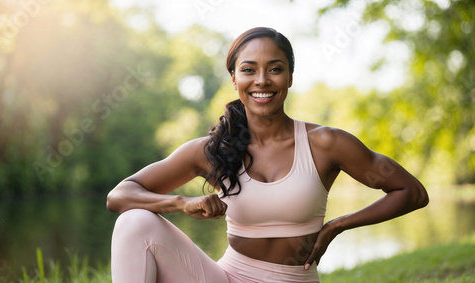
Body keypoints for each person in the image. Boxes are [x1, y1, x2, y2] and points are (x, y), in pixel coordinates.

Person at [106, 27, 429, 283]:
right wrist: (181, 203)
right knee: (135, 221)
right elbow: (120, 196)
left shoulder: (326, 143)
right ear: (235, 79)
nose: (262, 80)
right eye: (249, 70)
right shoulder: (211, 150)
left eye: (275, 69)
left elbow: (411, 192)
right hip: (227, 276)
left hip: (292, 279)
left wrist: (336, 226)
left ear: (289, 77)